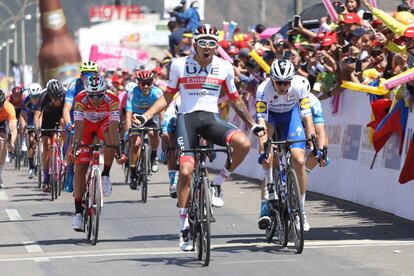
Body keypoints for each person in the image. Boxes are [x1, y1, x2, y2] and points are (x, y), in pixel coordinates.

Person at [133, 24, 265, 251]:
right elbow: (167, 97)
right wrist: (145, 117)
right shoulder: (179, 65)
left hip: (211, 120)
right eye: (203, 43)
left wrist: (253, 124)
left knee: (243, 143)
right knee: (185, 171)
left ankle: (219, 183)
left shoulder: (224, 67)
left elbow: (235, 99)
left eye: (213, 43)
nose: (208, 47)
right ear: (194, 44)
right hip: (187, 120)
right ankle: (184, 225)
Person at [256, 60, 315, 232]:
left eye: (286, 82)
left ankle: (301, 210)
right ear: (272, 79)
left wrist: (311, 138)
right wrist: (264, 148)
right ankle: (269, 193)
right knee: (267, 157)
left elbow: (307, 115)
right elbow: (262, 121)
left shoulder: (299, 85)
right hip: (271, 118)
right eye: (279, 82)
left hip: (291, 117)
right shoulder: (263, 89)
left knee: (299, 160)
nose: (283, 86)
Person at [71, 74, 121, 230]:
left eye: (100, 95)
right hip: (85, 126)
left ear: (105, 92)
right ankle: (78, 212)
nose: (96, 98)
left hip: (103, 124)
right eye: (92, 95)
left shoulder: (112, 99)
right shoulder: (80, 99)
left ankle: (105, 174)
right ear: (86, 93)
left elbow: (114, 127)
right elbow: (78, 126)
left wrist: (117, 149)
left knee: (109, 137)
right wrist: (76, 147)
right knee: (80, 168)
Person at [63, 61, 99, 192]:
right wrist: (68, 122)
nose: (88, 77)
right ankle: (70, 171)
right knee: (73, 140)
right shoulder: (74, 85)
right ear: (81, 75)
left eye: (92, 74)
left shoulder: (100, 85)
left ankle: (96, 170)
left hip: (93, 117)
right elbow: (67, 108)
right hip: (76, 116)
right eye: (86, 74)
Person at [125, 71, 162, 190]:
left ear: (152, 82)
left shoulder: (157, 92)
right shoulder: (133, 92)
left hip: (151, 117)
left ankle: (154, 155)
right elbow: (129, 112)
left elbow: (161, 111)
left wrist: (163, 126)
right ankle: (133, 172)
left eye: (148, 83)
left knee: (153, 132)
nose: (146, 86)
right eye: (143, 83)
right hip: (136, 118)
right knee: (135, 143)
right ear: (138, 83)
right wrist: (128, 129)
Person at [34, 79, 65, 193]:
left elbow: (67, 112)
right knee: (46, 146)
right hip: (47, 120)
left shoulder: (65, 95)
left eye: (59, 97)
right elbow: (37, 115)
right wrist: (37, 128)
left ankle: (64, 154)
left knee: (64, 124)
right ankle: (46, 179)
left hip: (60, 117)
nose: (58, 100)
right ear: (50, 96)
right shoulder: (43, 96)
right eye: (55, 98)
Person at [160, 95, 181, 198]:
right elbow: (165, 134)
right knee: (171, 147)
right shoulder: (170, 113)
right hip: (172, 126)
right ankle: (173, 182)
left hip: (189, 122)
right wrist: (167, 147)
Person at [21, 83, 43, 178]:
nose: (35, 99)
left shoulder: (43, 100)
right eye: (32, 97)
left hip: (41, 119)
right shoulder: (26, 101)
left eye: (37, 96)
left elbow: (45, 114)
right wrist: (24, 125)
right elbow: (22, 115)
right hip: (30, 120)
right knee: (31, 142)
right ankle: (31, 167)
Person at [0, 90, 17, 188]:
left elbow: (13, 129)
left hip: (1, 122)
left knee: (3, 143)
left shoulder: (9, 107)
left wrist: (11, 143)